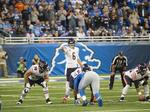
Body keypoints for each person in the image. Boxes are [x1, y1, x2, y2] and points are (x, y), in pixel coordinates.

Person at [60, 38, 83, 103]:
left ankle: (76, 98)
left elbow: (77, 58)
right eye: (70, 44)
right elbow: (62, 48)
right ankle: (66, 96)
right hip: (69, 68)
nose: (71, 45)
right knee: (69, 85)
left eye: (72, 44)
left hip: (75, 68)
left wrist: (82, 66)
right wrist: (65, 45)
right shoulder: (67, 49)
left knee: (77, 84)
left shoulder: (77, 49)